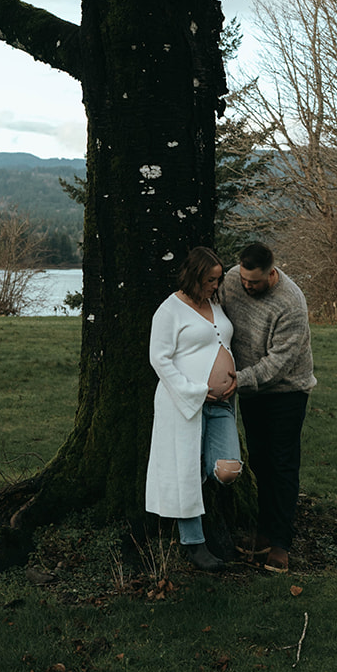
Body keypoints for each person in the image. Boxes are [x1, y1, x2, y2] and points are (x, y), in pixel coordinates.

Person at [220, 241, 316, 575]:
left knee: (282, 463)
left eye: (255, 282)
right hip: (250, 391)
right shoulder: (232, 279)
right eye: (245, 279)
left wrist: (237, 380)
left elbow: (278, 364)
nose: (247, 286)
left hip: (286, 392)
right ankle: (262, 533)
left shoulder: (291, 302)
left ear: (272, 273)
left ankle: (281, 544)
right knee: (259, 460)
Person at [145, 246, 243, 573]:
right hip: (183, 404)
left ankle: (210, 523)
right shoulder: (169, 310)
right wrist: (195, 392)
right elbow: (159, 359)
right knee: (185, 470)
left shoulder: (214, 305)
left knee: (227, 470)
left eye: (218, 280)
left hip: (222, 405)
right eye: (210, 280)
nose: (215, 286)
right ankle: (194, 545)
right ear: (193, 275)